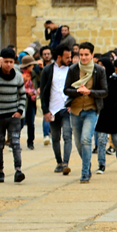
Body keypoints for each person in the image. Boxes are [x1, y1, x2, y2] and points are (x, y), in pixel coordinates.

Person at [64, 42, 108, 183]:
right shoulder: (73, 69)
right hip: (75, 110)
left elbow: (104, 91)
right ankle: (87, 164)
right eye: (81, 55)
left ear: (92, 55)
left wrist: (89, 92)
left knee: (86, 139)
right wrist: (78, 91)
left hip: (91, 110)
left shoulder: (99, 70)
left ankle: (84, 173)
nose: (83, 57)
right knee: (78, 143)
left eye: (86, 55)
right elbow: (66, 89)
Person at [0, 48, 26, 181]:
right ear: (1, 61)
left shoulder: (18, 76)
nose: (8, 64)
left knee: (15, 142)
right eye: (6, 62)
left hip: (13, 115)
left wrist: (20, 111)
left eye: (11, 62)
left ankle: (18, 169)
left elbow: (22, 95)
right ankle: (0, 170)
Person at [94, 58, 117, 174]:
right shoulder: (99, 81)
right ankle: (101, 164)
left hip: (115, 113)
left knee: (116, 140)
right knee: (101, 140)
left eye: (102, 65)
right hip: (103, 113)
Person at [40, 45, 73, 174]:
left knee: (67, 135)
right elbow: (43, 92)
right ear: (59, 57)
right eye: (67, 57)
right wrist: (45, 111)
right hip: (53, 109)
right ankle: (59, 162)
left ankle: (66, 163)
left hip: (66, 108)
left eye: (70, 57)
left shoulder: (71, 70)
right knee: (55, 137)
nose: (69, 59)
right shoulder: (47, 70)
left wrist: (72, 104)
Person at [19, 54, 39, 149]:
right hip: (23, 101)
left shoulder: (33, 74)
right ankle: (14, 141)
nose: (33, 67)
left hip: (32, 100)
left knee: (31, 122)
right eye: (32, 65)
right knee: (21, 122)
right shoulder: (20, 75)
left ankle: (30, 142)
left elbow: (39, 80)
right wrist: (27, 92)